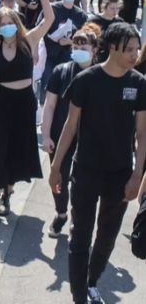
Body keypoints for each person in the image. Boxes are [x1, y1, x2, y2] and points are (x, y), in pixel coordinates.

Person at [49, 23, 146, 304]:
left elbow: (142, 133)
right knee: (80, 235)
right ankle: (79, 296)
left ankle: (91, 281)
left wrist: (137, 175)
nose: (134, 54)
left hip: (120, 174)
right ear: (112, 48)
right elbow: (70, 126)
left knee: (106, 236)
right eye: (129, 49)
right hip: (86, 170)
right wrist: (55, 168)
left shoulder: (139, 83)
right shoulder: (86, 80)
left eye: (137, 48)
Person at [0, 0, 53, 217]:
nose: (8, 27)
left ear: (17, 25)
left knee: (16, 149)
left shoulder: (27, 41)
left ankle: (7, 195)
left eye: (11, 23)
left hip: (24, 101)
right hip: (3, 101)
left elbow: (48, 21)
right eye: (3, 24)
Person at [41, 29, 99, 238]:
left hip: (89, 139)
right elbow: (49, 105)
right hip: (60, 136)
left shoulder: (101, 75)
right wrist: (46, 135)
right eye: (75, 47)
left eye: (84, 48)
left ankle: (78, 218)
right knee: (58, 178)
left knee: (82, 183)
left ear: (95, 50)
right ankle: (61, 213)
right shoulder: (61, 71)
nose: (79, 51)